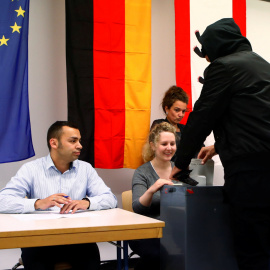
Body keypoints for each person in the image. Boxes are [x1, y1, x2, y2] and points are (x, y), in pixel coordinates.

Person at [170, 18, 270, 270]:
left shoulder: (223, 67)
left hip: (251, 173)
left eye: (208, 53)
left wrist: (180, 163)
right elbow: (254, 117)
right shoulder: (262, 65)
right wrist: (218, 145)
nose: (207, 60)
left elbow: (201, 117)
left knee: (251, 247)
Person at [0, 121, 117, 270]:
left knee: (91, 262)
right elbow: (2, 200)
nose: (80, 145)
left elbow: (110, 199)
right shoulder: (31, 169)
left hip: (78, 240)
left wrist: (86, 202)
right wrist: (37, 203)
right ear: (54, 143)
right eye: (73, 141)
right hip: (39, 241)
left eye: (79, 141)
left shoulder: (85, 169)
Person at [130, 122, 175, 270]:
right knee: (159, 255)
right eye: (164, 144)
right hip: (147, 231)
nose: (169, 148)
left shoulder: (180, 170)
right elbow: (137, 207)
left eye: (172, 143)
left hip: (175, 228)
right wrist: (153, 189)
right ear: (153, 146)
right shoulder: (142, 172)